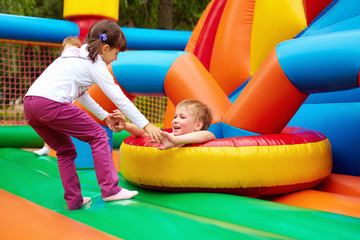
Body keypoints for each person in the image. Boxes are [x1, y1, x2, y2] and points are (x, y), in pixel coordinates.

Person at [23, 20, 163, 210]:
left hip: (30, 104)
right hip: (52, 103)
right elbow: (119, 98)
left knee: (65, 150)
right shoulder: (95, 64)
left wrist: (105, 116)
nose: (115, 59)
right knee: (98, 136)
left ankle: (74, 200)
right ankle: (111, 189)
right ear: (105, 48)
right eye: (116, 53)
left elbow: (82, 93)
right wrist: (146, 125)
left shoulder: (74, 53)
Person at [34, 36, 82, 156]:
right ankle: (47, 146)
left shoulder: (81, 66)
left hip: (76, 100)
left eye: (74, 50)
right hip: (60, 100)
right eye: (67, 50)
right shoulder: (60, 65)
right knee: (52, 123)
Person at [114, 99, 215, 150]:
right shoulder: (169, 136)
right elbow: (143, 132)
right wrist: (126, 125)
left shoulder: (201, 137)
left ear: (198, 125)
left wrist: (176, 141)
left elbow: (208, 135)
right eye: (175, 116)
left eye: (182, 117)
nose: (175, 120)